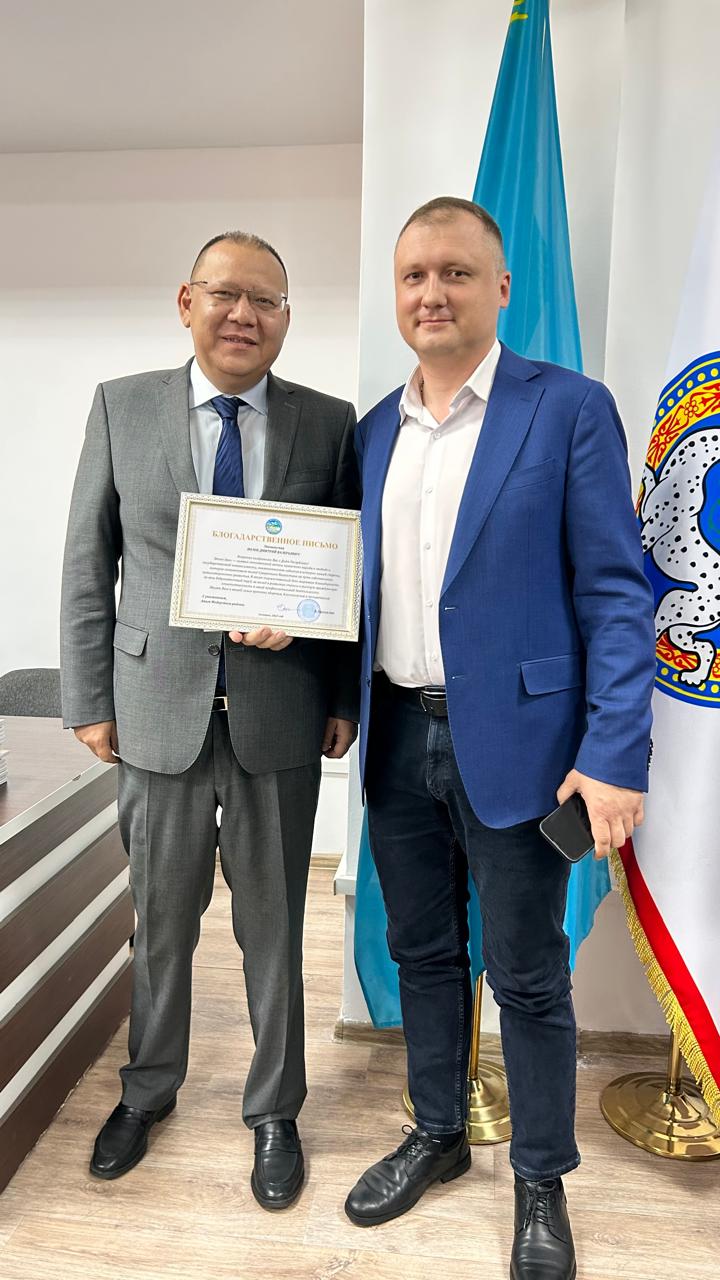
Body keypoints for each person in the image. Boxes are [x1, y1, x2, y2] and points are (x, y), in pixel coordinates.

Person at [344, 197, 656, 1279]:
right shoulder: (372, 430)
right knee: (423, 954)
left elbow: (615, 591)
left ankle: (539, 1179)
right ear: (396, 295)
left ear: (501, 287)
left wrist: (613, 753)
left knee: (528, 974)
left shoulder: (566, 408)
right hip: (396, 736)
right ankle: (437, 1132)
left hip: (526, 750)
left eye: (456, 273)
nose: (432, 293)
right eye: (414, 276)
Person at [60, 230, 359, 1209]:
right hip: (155, 715)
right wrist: (88, 699)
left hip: (281, 716)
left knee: (274, 930)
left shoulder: (329, 422)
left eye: (266, 300)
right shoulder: (123, 405)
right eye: (227, 294)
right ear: (186, 301)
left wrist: (343, 693)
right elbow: (88, 562)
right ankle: (147, 1089)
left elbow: (349, 572)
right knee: (161, 926)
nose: (244, 314)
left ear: (286, 318)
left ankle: (274, 1111)